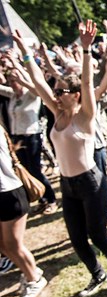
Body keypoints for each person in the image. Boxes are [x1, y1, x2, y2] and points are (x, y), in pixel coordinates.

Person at [14, 21, 107, 297]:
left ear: (75, 95)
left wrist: (87, 50)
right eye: (57, 92)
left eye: (62, 91)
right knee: (77, 239)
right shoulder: (57, 113)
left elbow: (89, 82)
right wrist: (25, 52)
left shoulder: (85, 115)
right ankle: (97, 274)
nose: (56, 94)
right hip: (68, 184)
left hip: (91, 182)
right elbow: (40, 83)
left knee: (98, 236)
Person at [0, 54, 58, 215]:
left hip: (31, 136)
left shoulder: (31, 95)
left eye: (14, 80)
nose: (13, 84)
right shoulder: (12, 96)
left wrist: (17, 68)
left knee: (36, 170)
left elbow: (36, 87)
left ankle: (51, 199)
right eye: (11, 81)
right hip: (17, 137)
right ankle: (40, 198)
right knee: (24, 170)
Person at [0, 125, 47, 297]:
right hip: (3, 194)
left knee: (12, 244)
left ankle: (35, 279)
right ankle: (31, 271)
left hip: (9, 194)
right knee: (3, 244)